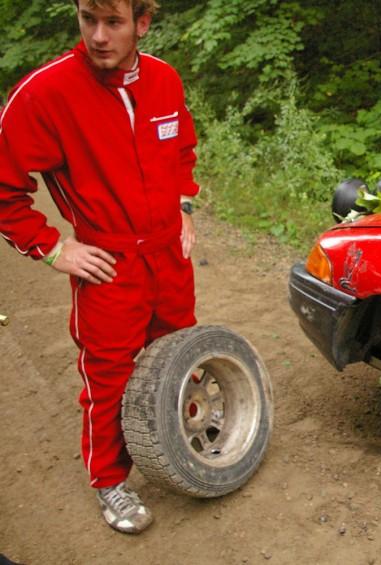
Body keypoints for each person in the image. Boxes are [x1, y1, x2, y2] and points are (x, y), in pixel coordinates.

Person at [0, 0, 199, 534]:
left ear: (143, 22)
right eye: (89, 19)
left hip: (168, 256)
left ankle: (183, 447)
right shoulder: (46, 93)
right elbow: (3, 188)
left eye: (113, 22)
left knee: (180, 352)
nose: (99, 36)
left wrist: (183, 205)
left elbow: (182, 148)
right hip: (108, 264)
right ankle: (111, 480)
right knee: (108, 376)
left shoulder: (163, 80)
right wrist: (51, 248)